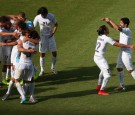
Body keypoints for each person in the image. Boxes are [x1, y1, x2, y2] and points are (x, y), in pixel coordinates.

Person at [94, 25, 135, 96]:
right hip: (100, 59)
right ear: (104, 31)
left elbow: (112, 39)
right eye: (107, 29)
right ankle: (101, 90)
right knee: (108, 75)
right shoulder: (107, 38)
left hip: (96, 57)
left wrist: (120, 41)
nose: (108, 29)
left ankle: (98, 86)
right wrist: (130, 46)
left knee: (102, 71)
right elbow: (118, 45)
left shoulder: (100, 36)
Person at [33, 6, 58, 76]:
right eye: (43, 14)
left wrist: (53, 32)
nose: (44, 15)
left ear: (47, 13)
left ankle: (53, 67)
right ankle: (42, 69)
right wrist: (37, 37)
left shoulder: (51, 16)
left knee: (54, 52)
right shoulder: (37, 17)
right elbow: (33, 27)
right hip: (42, 37)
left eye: (45, 14)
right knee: (42, 53)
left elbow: (56, 24)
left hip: (51, 37)